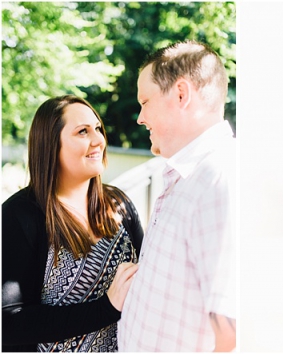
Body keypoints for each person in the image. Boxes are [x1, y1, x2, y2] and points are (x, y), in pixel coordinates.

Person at [118, 40, 237, 351]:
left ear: (181, 94)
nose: (140, 118)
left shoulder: (218, 179)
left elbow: (233, 337)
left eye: (145, 102)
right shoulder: (188, 176)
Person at [2, 95, 143, 352]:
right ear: (50, 145)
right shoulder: (18, 215)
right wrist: (105, 309)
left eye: (98, 128)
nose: (98, 139)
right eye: (82, 131)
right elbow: (8, 324)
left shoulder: (120, 205)